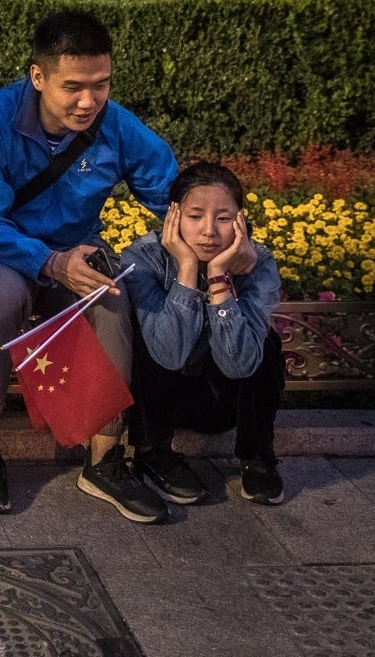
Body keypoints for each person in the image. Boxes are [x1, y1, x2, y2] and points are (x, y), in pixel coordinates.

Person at [0, 9, 177, 523]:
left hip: (76, 248)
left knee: (111, 296)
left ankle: (105, 458)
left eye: (101, 85)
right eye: (73, 87)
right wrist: (50, 262)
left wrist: (218, 233)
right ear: (38, 76)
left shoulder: (118, 125)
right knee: (1, 297)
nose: (88, 101)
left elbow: (173, 193)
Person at [120, 162, 284, 506]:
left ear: (239, 220)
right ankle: (153, 453)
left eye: (223, 218)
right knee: (146, 332)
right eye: (195, 216)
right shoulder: (144, 258)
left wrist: (219, 280)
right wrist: (187, 269)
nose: (209, 231)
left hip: (225, 398)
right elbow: (167, 353)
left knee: (264, 343)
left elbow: (241, 365)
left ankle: (257, 456)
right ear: (174, 215)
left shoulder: (258, 262)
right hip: (168, 396)